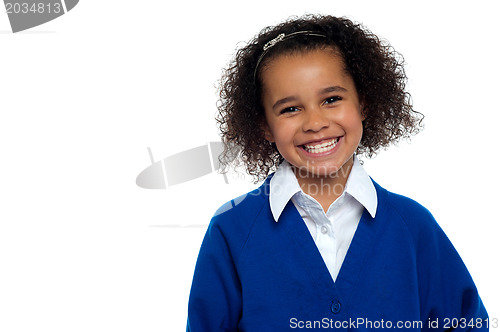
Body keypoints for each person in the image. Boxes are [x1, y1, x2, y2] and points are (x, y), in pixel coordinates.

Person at [186, 14, 488, 331]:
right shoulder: (232, 230)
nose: (315, 123)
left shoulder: (413, 226)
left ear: (364, 104)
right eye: (290, 108)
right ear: (264, 124)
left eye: (331, 99)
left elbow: (465, 322)